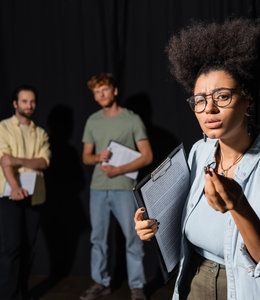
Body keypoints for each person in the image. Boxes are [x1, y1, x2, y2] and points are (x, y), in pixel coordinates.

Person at [134, 19, 260, 300]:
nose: (209, 109)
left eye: (222, 96)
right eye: (199, 100)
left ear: (248, 101)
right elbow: (184, 220)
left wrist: (239, 206)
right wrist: (153, 227)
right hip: (193, 280)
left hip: (242, 287)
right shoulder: (199, 152)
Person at [80, 73, 153, 300]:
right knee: (98, 239)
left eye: (105, 89)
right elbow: (86, 157)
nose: (101, 94)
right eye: (96, 92)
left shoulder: (132, 119)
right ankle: (101, 282)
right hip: (98, 188)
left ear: (114, 91)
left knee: (132, 237)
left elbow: (147, 156)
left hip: (124, 187)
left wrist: (118, 170)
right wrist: (97, 158)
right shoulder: (93, 120)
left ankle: (137, 286)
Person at [0, 85, 51, 299]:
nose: (29, 105)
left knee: (28, 249)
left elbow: (43, 162)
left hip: (34, 196)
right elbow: (3, 160)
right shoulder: (1, 128)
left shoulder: (41, 132)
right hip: (10, 194)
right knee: (11, 249)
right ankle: (7, 296)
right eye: (25, 101)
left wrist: (16, 160)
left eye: (32, 101)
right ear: (15, 103)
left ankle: (21, 295)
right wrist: (15, 188)